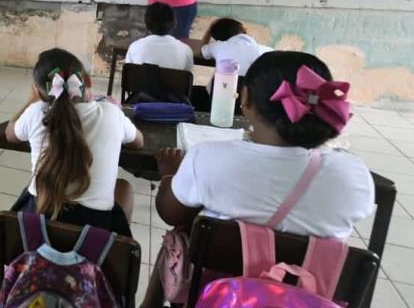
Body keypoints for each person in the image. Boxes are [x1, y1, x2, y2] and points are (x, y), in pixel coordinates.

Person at [140, 51, 373, 306]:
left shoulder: (207, 158)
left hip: (220, 297)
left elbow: (170, 213)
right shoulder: (353, 175)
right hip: (308, 299)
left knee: (181, 229)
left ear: (245, 97)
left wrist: (169, 174)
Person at [5, 48, 144, 235]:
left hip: (37, 224)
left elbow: (9, 134)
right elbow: (139, 142)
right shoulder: (110, 113)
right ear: (87, 81)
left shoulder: (36, 112)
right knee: (124, 189)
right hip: (95, 231)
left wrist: (31, 102)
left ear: (39, 92)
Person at [191, 17, 273, 111]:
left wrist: (210, 29)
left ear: (218, 39)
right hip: (250, 106)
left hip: (216, 104)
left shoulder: (218, 46)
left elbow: (203, 50)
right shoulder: (266, 51)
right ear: (244, 31)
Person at [126, 2, 194, 72]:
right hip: (173, 82)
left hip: (140, 83)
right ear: (174, 24)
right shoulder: (186, 51)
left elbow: (128, 74)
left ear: (146, 24)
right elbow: (187, 79)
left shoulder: (134, 47)